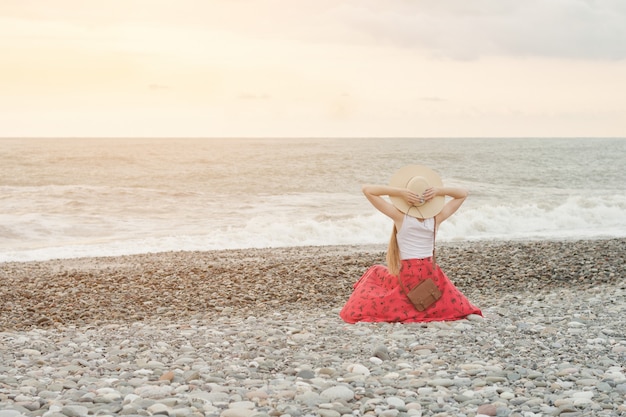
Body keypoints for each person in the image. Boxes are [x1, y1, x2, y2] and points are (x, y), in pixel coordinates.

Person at [339, 165, 482, 323]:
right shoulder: (436, 219)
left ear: (407, 199)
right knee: (450, 303)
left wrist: (399, 192)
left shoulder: (400, 217)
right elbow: (463, 194)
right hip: (431, 273)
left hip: (409, 274)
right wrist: (439, 191)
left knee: (375, 272)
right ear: (430, 200)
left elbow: (367, 190)